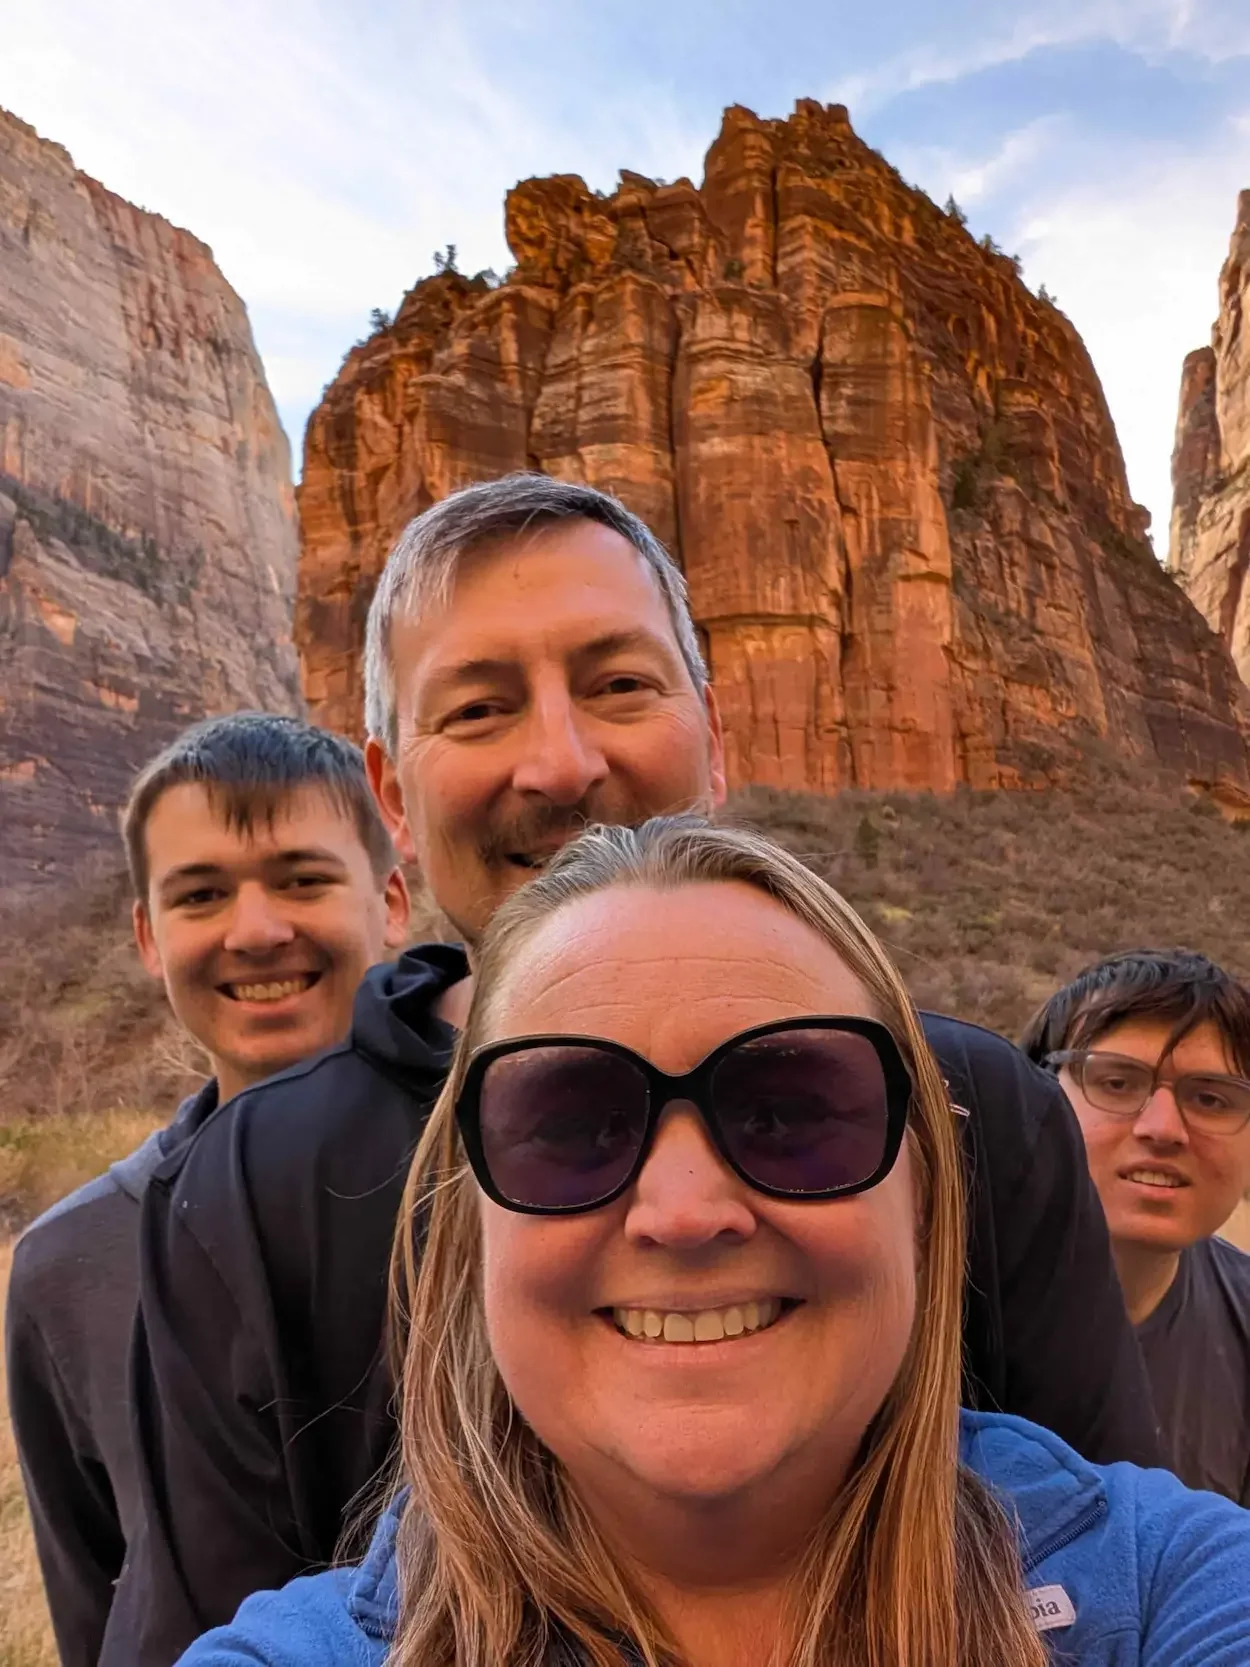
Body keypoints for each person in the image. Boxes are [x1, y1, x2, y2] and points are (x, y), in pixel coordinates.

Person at [107, 475, 1161, 1667]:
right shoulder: (247, 1179)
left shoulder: (969, 1105)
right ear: (391, 791)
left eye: (618, 685)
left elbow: (1106, 1550)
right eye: (477, 707)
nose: (558, 764)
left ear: (713, 736)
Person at [179, 820, 1250, 1667]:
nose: (684, 1211)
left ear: (921, 1193)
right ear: (471, 1230)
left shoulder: (1171, 1594)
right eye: (567, 1124)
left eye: (791, 1110)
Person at [5, 712, 411, 1667]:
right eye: (201, 895)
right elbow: (94, 1596)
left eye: (304, 880)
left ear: (390, 900)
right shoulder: (68, 1265)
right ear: (148, 936)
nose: (258, 930)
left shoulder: (510, 1186)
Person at [1021, 950, 1250, 1505]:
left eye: (1211, 1098)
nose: (1164, 1129)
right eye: (1117, 1083)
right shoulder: (920, 1299)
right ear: (1030, 1098)